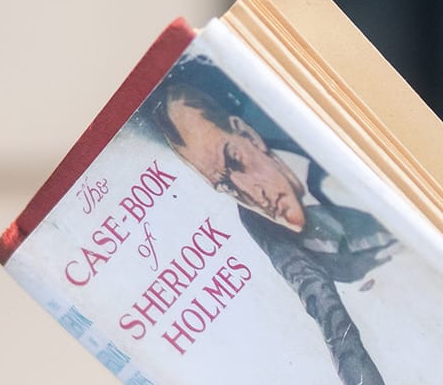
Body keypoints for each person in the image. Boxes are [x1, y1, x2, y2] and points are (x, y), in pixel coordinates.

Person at [148, 70, 394, 385]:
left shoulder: (311, 126)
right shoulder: (257, 222)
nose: (251, 193)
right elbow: (332, 321)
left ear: (248, 135)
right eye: (224, 185)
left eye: (235, 160)